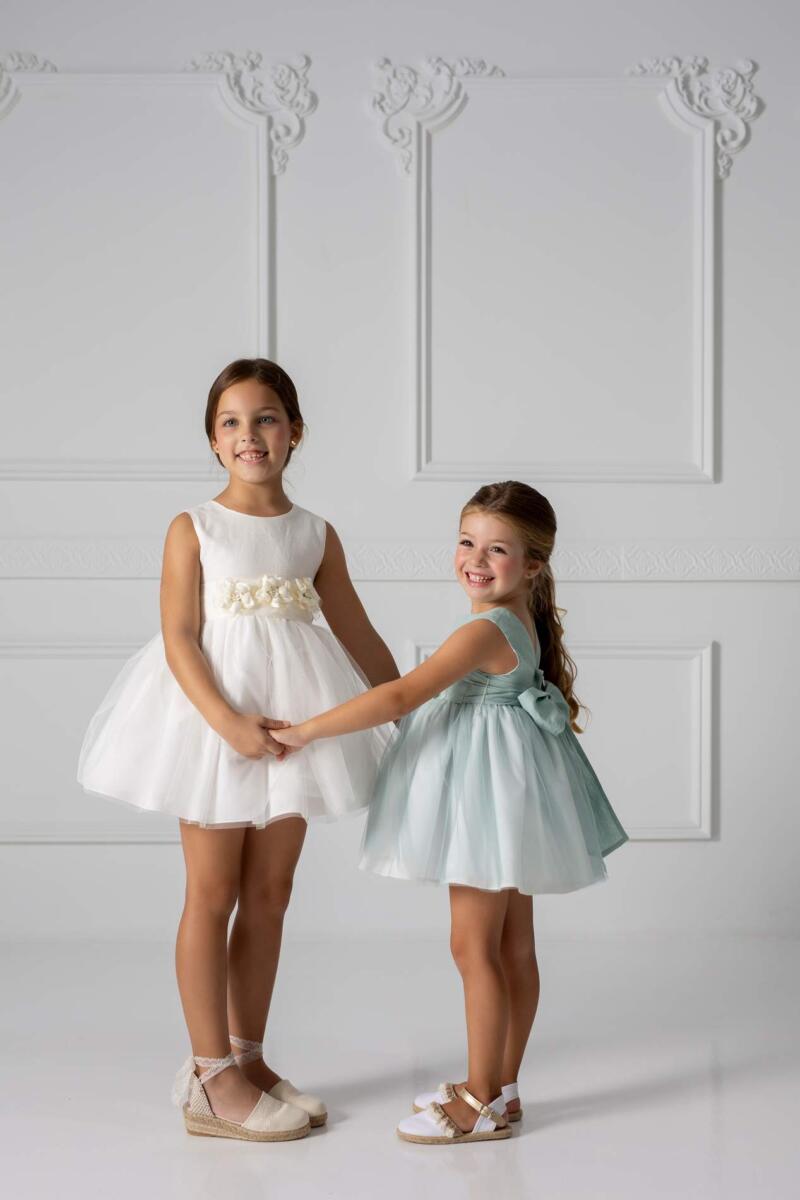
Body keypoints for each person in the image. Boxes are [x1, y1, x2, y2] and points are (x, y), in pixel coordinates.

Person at [78, 358, 398, 1141]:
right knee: (212, 892)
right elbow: (180, 636)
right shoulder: (193, 527)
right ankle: (209, 1073)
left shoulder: (315, 534)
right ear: (213, 441)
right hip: (212, 726)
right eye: (231, 422)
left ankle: (248, 1058)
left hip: (295, 728)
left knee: (271, 894)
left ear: (295, 433)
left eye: (265, 419)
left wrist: (413, 703)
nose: (249, 435)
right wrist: (225, 722)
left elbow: (357, 634)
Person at [273, 480, 628, 1145]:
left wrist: (305, 731)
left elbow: (400, 697)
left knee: (473, 946)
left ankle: (478, 1101)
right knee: (512, 945)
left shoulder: (484, 628)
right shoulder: (517, 618)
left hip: (484, 801)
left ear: (533, 564)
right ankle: (503, 1087)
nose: (475, 559)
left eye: (498, 549)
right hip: (513, 790)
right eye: (467, 542)